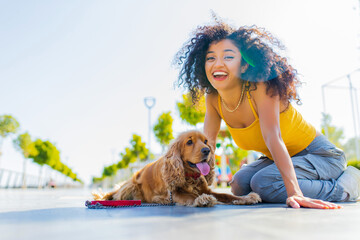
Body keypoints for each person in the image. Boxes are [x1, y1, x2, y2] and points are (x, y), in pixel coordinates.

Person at [174, 20, 360, 209]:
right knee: (239, 184)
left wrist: (294, 192)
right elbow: (208, 146)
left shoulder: (260, 86)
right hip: (279, 159)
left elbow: (273, 136)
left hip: (321, 156)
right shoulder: (213, 98)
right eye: (211, 58)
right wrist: (191, 191)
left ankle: (347, 186)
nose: (218, 64)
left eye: (228, 57)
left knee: (264, 184)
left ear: (244, 66)